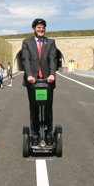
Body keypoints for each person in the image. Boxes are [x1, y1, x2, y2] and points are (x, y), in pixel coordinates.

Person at [22, 18, 57, 146]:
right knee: (34, 109)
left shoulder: (51, 42)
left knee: (48, 109)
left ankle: (48, 135)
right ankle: (35, 135)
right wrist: (29, 75)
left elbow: (53, 58)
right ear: (34, 29)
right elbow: (26, 59)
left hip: (48, 80)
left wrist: (52, 74)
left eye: (43, 27)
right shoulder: (27, 42)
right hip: (32, 82)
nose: (41, 29)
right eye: (38, 27)